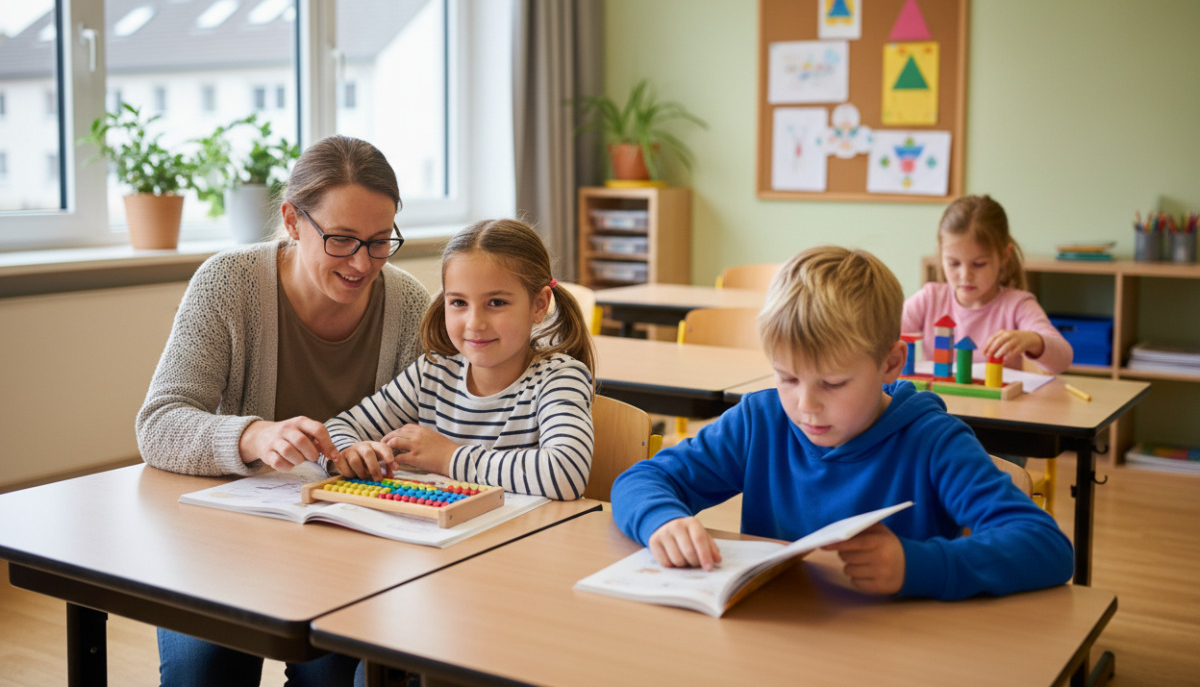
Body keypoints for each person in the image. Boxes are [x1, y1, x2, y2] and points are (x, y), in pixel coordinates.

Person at [610, 246, 1074, 600]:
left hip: (895, 652)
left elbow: (1046, 548)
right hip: (776, 639)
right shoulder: (762, 420)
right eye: (787, 377)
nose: (806, 405)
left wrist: (917, 566)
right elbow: (644, 477)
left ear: (892, 363)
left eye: (833, 384)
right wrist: (661, 520)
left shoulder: (933, 442)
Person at [136, 135, 431, 687]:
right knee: (205, 672)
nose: (362, 262)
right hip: (227, 545)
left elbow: (429, 432)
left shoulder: (409, 303)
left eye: (379, 241)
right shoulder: (229, 284)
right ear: (293, 221)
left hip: (351, 551)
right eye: (342, 240)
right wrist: (253, 436)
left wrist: (381, 454)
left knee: (330, 676)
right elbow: (159, 423)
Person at [326, 218, 596, 501]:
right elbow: (339, 428)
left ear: (539, 305)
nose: (474, 323)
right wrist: (349, 452)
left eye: (496, 303)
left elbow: (567, 474)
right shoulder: (433, 373)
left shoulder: (560, 378)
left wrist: (449, 458)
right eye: (458, 303)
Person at [902, 194, 1073, 374]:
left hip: (998, 403)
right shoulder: (930, 299)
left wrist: (1033, 340)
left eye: (979, 264)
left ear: (1004, 256)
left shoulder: (1017, 306)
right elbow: (881, 336)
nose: (965, 275)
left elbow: (1063, 359)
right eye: (954, 263)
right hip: (936, 401)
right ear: (940, 253)